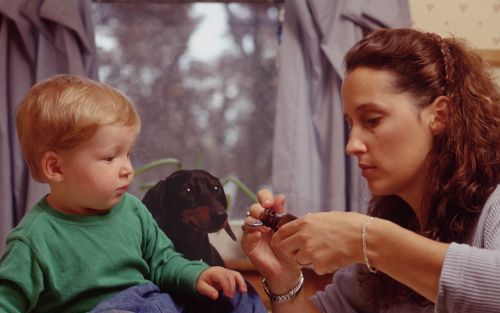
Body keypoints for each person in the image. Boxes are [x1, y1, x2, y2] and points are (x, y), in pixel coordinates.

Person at [242, 28, 500, 313]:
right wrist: (283, 279)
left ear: (440, 116)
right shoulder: (394, 231)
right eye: (351, 124)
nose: (352, 145)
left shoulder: (495, 202)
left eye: (373, 120)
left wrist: (366, 239)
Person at [0, 74, 266, 313]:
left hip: (152, 303)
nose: (127, 168)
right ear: (56, 167)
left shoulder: (132, 210)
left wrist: (198, 275)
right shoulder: (34, 239)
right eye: (110, 157)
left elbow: (164, 261)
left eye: (128, 154)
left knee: (237, 294)